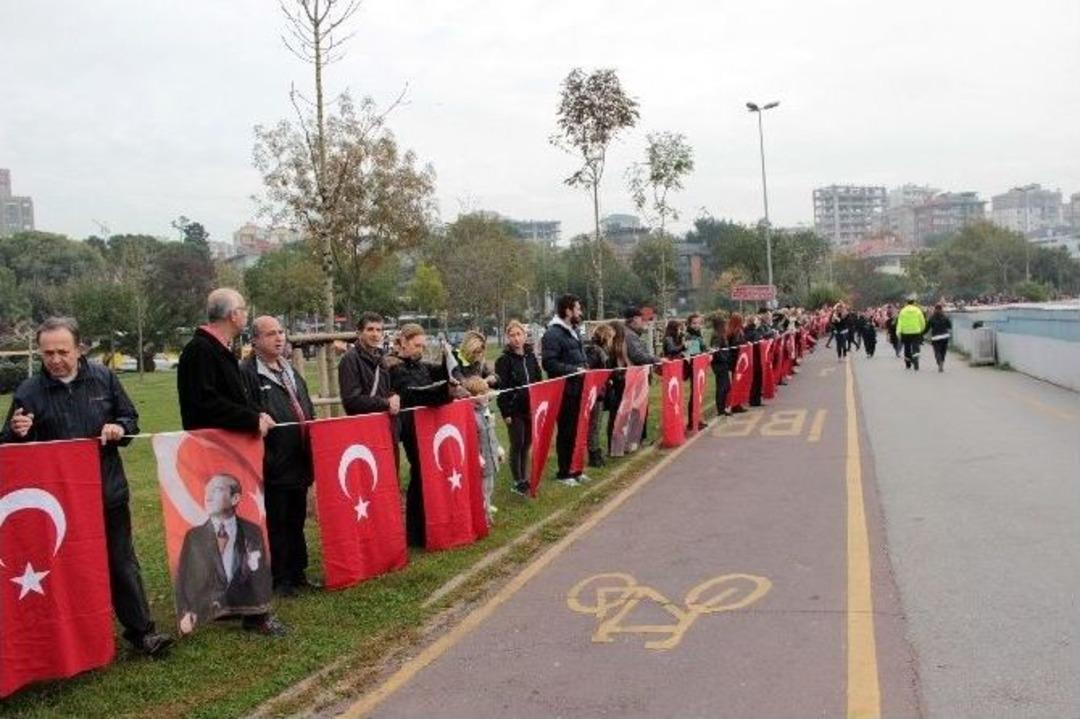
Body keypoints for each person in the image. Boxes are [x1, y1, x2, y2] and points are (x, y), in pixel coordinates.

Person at [1, 317, 174, 656]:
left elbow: (131, 420)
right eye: (47, 352)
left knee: (121, 562)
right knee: (65, 570)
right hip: (59, 502)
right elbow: (10, 448)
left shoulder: (104, 378)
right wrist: (18, 432)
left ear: (79, 349)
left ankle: (142, 633)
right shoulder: (28, 391)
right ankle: (67, 640)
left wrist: (118, 427)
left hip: (106, 493)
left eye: (62, 351)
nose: (54, 359)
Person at [176, 288, 285, 636]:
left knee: (244, 529)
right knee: (227, 527)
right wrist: (249, 418)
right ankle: (239, 605)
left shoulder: (221, 350)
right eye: (242, 309)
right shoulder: (200, 351)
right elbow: (204, 405)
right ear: (232, 315)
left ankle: (247, 602)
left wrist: (253, 414)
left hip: (235, 451)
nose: (245, 314)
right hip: (219, 455)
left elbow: (229, 399)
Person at [241, 316, 316, 598]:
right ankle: (280, 577)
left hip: (299, 457)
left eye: (281, 332)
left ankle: (299, 571)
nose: (279, 338)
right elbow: (248, 411)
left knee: (297, 518)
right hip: (273, 461)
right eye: (271, 334)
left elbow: (304, 404)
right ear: (255, 340)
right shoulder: (247, 373)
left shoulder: (289, 369)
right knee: (278, 521)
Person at [386, 323, 463, 546]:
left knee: (431, 474)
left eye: (423, 345)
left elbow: (446, 372)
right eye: (417, 345)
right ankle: (416, 532)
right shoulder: (394, 367)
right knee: (419, 475)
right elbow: (414, 394)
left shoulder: (419, 365)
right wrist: (443, 391)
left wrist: (450, 355)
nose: (421, 349)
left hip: (430, 428)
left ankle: (434, 521)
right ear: (403, 343)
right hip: (411, 428)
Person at [175, 474, 271, 635]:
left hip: (242, 602)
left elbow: (259, 573)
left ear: (235, 498)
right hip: (207, 607)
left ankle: (247, 613)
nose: (208, 496)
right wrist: (185, 612)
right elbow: (183, 577)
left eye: (217, 490)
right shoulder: (194, 537)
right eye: (207, 490)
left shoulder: (252, 531)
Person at [541, 294, 589, 486]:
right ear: (568, 310)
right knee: (567, 431)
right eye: (577, 309)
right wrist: (574, 370)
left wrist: (585, 366)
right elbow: (549, 363)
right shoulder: (553, 334)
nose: (580, 312)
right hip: (564, 391)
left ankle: (576, 469)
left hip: (579, 389)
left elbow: (579, 355)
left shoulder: (573, 330)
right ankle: (564, 472)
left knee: (577, 431)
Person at [495, 320, 542, 495]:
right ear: (508, 338)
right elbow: (502, 388)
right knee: (517, 443)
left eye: (519, 334)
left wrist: (538, 402)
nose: (516, 338)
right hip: (514, 410)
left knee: (527, 443)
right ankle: (517, 480)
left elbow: (537, 379)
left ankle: (524, 477)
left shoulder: (531, 357)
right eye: (512, 335)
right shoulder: (504, 360)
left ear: (524, 335)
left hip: (530, 407)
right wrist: (506, 412)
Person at [338, 312, 401, 418]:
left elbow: (386, 390)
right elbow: (352, 401)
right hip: (363, 424)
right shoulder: (350, 360)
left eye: (378, 330)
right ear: (359, 333)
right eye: (370, 329)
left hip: (382, 421)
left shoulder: (381, 359)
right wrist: (386, 403)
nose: (375, 334)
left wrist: (394, 397)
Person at [462, 376, 503, 524]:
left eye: (486, 391)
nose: (485, 395)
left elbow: (491, 432)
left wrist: (498, 448)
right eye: (481, 393)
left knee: (489, 487)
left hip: (490, 454)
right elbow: (470, 439)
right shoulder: (471, 415)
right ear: (472, 397)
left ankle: (486, 510)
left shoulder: (485, 410)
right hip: (481, 458)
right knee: (481, 489)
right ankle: (482, 517)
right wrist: (477, 456)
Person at [624, 307, 661, 450]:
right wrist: (656, 360)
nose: (643, 322)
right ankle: (634, 441)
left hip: (638, 377)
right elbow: (638, 356)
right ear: (634, 319)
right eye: (641, 319)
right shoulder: (630, 336)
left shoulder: (632, 334)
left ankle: (637, 440)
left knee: (639, 410)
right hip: (635, 378)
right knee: (636, 410)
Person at [584, 323, 614, 467]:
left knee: (595, 424)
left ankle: (595, 452)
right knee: (594, 425)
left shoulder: (598, 351)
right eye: (610, 338)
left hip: (599, 391)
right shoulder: (595, 351)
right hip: (595, 393)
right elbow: (591, 371)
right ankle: (594, 454)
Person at [683, 313, 708, 430]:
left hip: (700, 368)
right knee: (695, 394)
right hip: (694, 367)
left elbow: (702, 348)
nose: (697, 325)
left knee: (698, 394)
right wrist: (703, 352)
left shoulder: (698, 334)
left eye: (698, 323)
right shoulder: (689, 335)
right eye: (694, 323)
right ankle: (692, 422)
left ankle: (697, 419)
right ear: (689, 324)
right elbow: (693, 353)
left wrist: (707, 350)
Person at [709, 313, 733, 417]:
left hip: (723, 363)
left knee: (726, 386)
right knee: (722, 386)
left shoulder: (720, 334)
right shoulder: (717, 336)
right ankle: (721, 408)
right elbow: (716, 350)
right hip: (719, 364)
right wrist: (724, 358)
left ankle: (722, 407)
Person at [725, 312, 748, 413]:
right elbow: (735, 344)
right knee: (736, 381)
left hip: (735, 359)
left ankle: (736, 403)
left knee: (736, 381)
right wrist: (744, 343)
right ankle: (735, 404)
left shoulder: (731, 331)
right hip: (736, 360)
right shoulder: (736, 332)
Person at [896, 296, 927, 371]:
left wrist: (898, 332)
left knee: (907, 348)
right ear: (914, 302)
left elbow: (899, 322)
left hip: (905, 332)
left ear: (906, 303)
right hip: (916, 331)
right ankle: (915, 358)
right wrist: (922, 329)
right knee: (915, 347)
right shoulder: (918, 310)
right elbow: (922, 321)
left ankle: (908, 364)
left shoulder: (902, 311)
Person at [925, 304, 953, 372]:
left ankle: (939, 362)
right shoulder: (945, 317)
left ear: (935, 309)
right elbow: (950, 326)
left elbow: (927, 328)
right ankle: (942, 363)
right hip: (945, 336)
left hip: (935, 337)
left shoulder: (932, 318)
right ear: (941, 309)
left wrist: (921, 334)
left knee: (937, 351)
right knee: (943, 351)